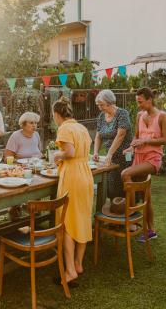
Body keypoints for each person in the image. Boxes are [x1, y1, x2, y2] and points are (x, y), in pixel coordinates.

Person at [52, 97, 94, 287]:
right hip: (85, 173)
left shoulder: (64, 128)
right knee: (82, 217)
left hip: (72, 177)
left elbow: (69, 152)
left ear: (56, 115)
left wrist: (57, 155)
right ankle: (78, 264)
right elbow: (79, 152)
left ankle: (69, 271)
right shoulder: (82, 128)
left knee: (67, 221)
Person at [121, 87, 166, 242]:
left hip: (153, 158)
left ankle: (132, 219)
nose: (138, 105)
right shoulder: (139, 116)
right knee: (146, 195)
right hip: (139, 156)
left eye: (140, 102)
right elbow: (136, 137)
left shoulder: (162, 116)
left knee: (126, 174)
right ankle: (151, 230)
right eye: (137, 102)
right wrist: (130, 147)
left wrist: (146, 141)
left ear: (149, 99)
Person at [93, 89, 133, 199]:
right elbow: (98, 136)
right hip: (110, 157)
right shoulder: (101, 116)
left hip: (124, 156)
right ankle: (113, 208)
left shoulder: (122, 114)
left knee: (122, 185)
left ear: (109, 102)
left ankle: (125, 209)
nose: (99, 107)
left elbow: (120, 135)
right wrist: (96, 152)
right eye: (98, 105)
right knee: (111, 185)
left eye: (101, 105)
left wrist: (109, 154)